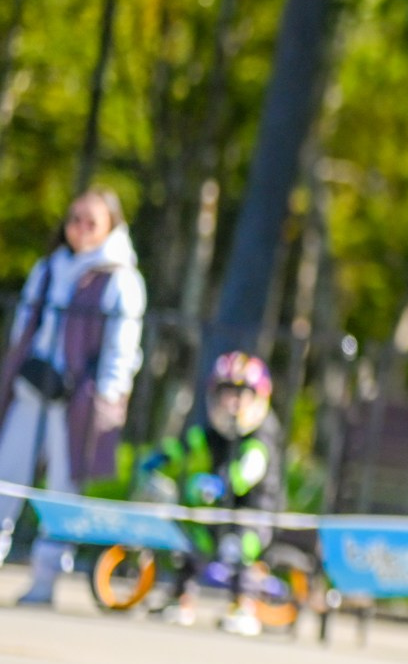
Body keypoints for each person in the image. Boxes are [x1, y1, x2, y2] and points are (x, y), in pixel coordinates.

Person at [0, 187, 147, 605]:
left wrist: (99, 399)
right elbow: (25, 327)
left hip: (75, 400)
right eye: (74, 219)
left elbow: (121, 350)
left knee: (63, 489)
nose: (80, 229)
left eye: (91, 221)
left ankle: (46, 579)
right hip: (31, 392)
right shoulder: (49, 268)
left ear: (110, 227)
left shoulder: (121, 278)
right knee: (6, 477)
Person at [133, 351, 284, 636]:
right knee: (191, 544)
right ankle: (182, 599)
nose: (234, 403)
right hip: (219, 508)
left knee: (240, 547)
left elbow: (252, 467)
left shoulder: (262, 433)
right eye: (227, 393)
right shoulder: (214, 429)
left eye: (241, 394)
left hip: (255, 511)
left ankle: (243, 606)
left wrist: (227, 483)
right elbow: (187, 443)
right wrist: (162, 457)